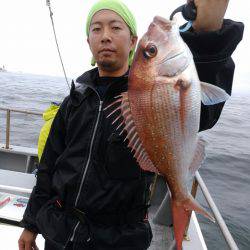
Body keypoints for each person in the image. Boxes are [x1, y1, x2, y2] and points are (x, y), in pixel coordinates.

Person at [18, 0, 244, 249]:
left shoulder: (150, 96)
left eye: (115, 27)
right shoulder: (73, 102)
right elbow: (48, 167)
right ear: (88, 43)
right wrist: (31, 224)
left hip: (119, 240)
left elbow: (203, 112)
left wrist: (209, 31)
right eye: (96, 29)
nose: (105, 37)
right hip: (59, 234)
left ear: (133, 42)